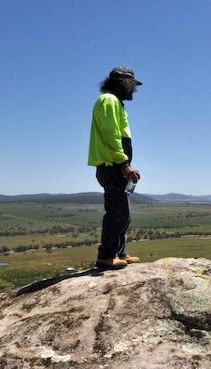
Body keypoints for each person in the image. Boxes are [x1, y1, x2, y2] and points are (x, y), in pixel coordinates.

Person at [88, 66, 143, 269]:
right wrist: (124, 164)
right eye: (132, 86)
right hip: (112, 165)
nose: (134, 91)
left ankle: (120, 252)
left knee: (123, 212)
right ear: (124, 84)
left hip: (115, 165)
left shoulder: (114, 102)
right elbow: (112, 135)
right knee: (117, 212)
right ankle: (107, 255)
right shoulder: (109, 101)